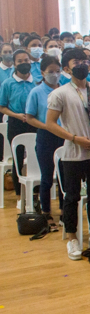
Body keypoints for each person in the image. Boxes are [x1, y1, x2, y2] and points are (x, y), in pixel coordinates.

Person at [43, 48, 90, 261]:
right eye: (76, 61)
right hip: (73, 152)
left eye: (85, 60)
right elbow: (50, 123)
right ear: (66, 68)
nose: (82, 64)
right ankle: (72, 237)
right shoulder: (59, 93)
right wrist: (75, 138)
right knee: (72, 196)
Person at [24, 56, 64, 229]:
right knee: (47, 177)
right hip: (46, 137)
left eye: (57, 71)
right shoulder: (37, 92)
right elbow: (30, 117)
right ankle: (46, 212)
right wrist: (48, 126)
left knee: (64, 176)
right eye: (51, 72)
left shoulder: (64, 90)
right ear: (42, 73)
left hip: (64, 136)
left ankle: (65, 211)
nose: (55, 75)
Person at [0, 49, 37, 204]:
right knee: (18, 160)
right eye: (20, 61)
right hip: (16, 123)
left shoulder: (36, 81)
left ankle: (35, 195)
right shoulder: (8, 83)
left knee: (36, 159)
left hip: (34, 123)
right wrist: (17, 115)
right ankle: (19, 197)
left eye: (26, 60)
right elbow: (2, 107)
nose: (24, 64)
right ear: (14, 64)